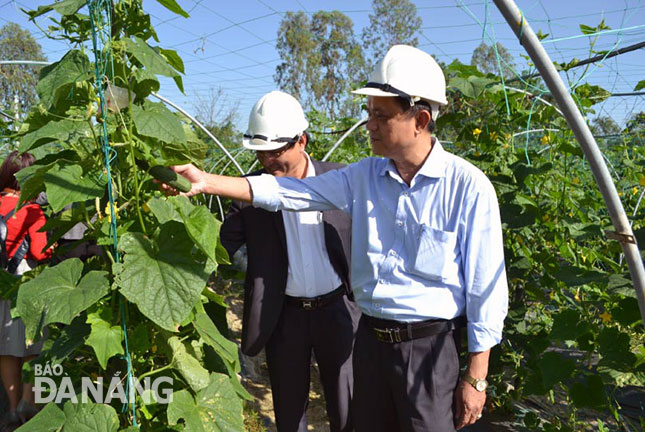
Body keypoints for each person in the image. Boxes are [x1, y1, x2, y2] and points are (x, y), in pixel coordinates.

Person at [161, 45, 508, 432]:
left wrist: (477, 377)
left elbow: (485, 288)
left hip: (427, 350)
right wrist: (207, 181)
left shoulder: (468, 187)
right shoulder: (363, 177)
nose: (369, 125)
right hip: (370, 342)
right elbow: (289, 193)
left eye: (380, 115)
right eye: (369, 114)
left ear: (420, 119)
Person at [219, 91, 359, 432]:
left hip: (338, 310)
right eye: (261, 153)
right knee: (289, 408)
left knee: (349, 407)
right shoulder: (250, 194)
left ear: (302, 141)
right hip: (286, 316)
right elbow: (221, 243)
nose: (267, 160)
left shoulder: (340, 181)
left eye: (275, 151)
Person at [0, 151, 53, 427]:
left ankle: (10, 409)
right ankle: (29, 405)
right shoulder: (31, 210)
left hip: (1, 282)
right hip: (26, 281)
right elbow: (39, 251)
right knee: (33, 343)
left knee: (7, 347)